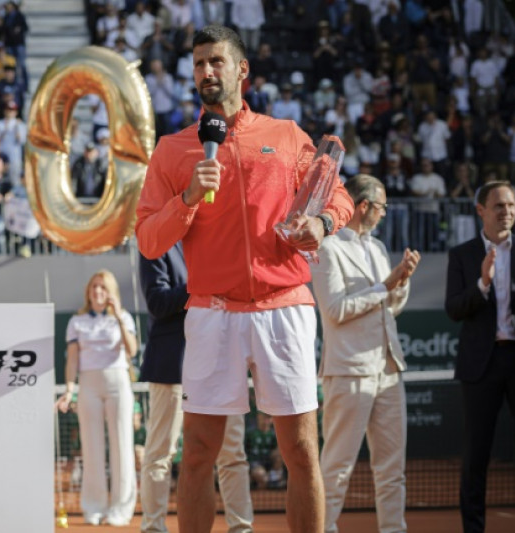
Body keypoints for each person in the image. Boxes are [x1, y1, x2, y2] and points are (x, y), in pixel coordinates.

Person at [135, 25, 354, 533]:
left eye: (216, 61)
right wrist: (186, 199)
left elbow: (336, 194)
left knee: (300, 450)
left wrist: (320, 223)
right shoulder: (172, 149)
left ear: (241, 70)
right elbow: (148, 239)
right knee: (197, 457)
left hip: (286, 306)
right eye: (198, 64)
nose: (206, 72)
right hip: (211, 313)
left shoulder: (286, 135)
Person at [309, 174, 421, 533]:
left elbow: (391, 306)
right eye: (383, 207)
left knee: (392, 468)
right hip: (349, 371)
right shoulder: (327, 247)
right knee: (337, 467)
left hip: (388, 369)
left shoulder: (377, 248)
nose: (385, 214)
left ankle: (393, 528)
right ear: (363, 206)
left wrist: (399, 283)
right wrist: (385, 286)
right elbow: (336, 311)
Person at [138, 242, 254, 533]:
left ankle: (241, 527)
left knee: (233, 454)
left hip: (222, 361)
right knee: (160, 453)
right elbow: (157, 302)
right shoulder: (156, 245)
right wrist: (200, 282)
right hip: (173, 364)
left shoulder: (219, 238)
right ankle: (153, 527)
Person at [445, 181, 515, 533]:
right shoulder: (461, 254)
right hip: (481, 366)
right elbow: (454, 309)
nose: (506, 212)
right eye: (499, 206)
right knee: (476, 457)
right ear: (480, 210)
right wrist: (482, 284)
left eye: (511, 206)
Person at [54, 270, 138, 526]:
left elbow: (132, 351)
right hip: (88, 385)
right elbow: (72, 360)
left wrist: (120, 318)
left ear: (110, 291)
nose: (98, 292)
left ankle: (121, 509)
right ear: (88, 292)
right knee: (91, 447)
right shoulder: (76, 322)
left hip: (118, 384)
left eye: (103, 287)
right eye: (94, 287)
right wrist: (70, 389)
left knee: (122, 445)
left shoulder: (123, 318)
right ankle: (94, 505)